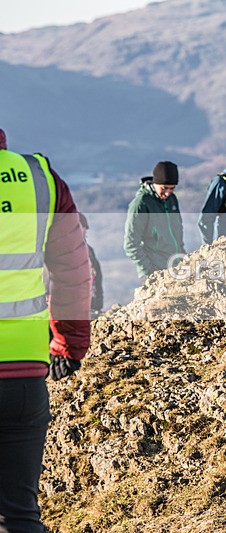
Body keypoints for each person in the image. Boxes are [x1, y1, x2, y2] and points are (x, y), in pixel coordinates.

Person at [0, 137, 91, 531]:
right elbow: (72, 272)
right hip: (23, 373)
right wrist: (69, 343)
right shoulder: (38, 178)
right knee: (18, 515)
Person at [123, 161, 185, 282]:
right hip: (155, 274)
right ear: (155, 183)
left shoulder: (172, 200)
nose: (167, 193)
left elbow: (177, 233)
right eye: (164, 188)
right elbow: (130, 244)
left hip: (176, 268)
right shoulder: (141, 204)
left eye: (172, 188)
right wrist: (149, 272)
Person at [79, 213, 104, 317]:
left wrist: (99, 303)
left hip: (92, 303)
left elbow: (97, 277)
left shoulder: (89, 251)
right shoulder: (64, 252)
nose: (83, 230)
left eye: (83, 227)